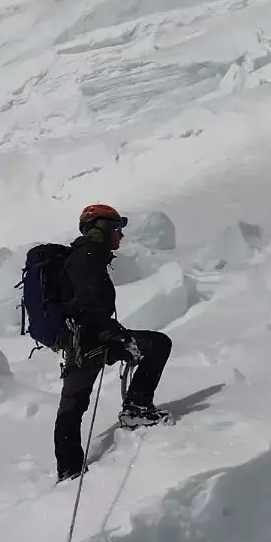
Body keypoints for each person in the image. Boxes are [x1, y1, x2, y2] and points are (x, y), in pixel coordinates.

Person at [53, 203, 173, 482]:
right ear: (101, 230)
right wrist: (118, 335)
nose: (120, 235)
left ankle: (69, 471)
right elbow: (88, 306)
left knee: (72, 406)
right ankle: (136, 410)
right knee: (155, 345)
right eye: (116, 228)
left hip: (83, 341)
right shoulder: (87, 258)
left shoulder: (88, 257)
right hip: (90, 341)